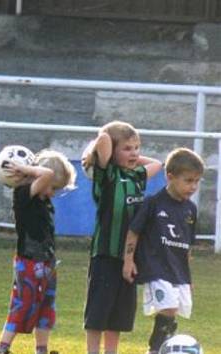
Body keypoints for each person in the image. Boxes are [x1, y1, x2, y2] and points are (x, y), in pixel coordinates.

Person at [81, 121, 163, 354]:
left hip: (129, 257)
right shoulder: (107, 175)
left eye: (137, 147)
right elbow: (104, 140)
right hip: (106, 253)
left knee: (118, 314)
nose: (134, 153)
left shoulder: (137, 175)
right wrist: (94, 153)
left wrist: (133, 156)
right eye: (127, 148)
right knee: (98, 310)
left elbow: (158, 164)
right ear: (111, 153)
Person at [0, 150, 76, 354]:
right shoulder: (23, 196)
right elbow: (46, 173)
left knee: (47, 307)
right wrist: (24, 169)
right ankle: (2, 348)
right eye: (53, 188)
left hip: (47, 262)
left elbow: (46, 176)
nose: (53, 193)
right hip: (28, 263)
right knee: (22, 304)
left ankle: (42, 349)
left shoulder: (43, 200)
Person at [122, 148, 204, 354]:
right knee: (167, 307)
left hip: (178, 270)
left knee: (173, 311)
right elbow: (133, 232)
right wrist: (128, 260)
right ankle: (155, 348)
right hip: (156, 266)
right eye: (188, 181)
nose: (193, 187)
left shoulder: (190, 209)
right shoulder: (153, 203)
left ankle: (165, 343)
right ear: (170, 177)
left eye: (197, 181)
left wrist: (188, 277)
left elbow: (187, 245)